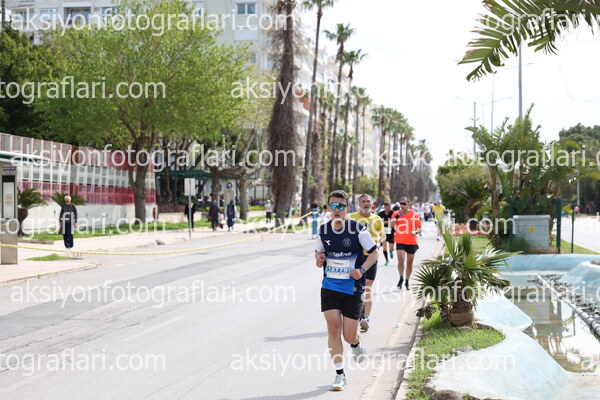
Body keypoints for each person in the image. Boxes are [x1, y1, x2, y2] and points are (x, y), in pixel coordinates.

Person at [315, 190, 379, 391]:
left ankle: (356, 344)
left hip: (352, 289)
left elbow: (374, 253)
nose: (336, 209)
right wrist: (319, 259)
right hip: (330, 287)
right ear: (328, 208)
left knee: (349, 335)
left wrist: (362, 270)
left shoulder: (358, 229)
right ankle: (339, 374)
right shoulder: (323, 231)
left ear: (347, 209)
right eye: (333, 206)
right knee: (333, 329)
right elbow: (318, 254)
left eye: (340, 206)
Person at [349, 194, 385, 332]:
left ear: (372, 203)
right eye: (363, 201)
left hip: (371, 256)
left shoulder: (376, 219)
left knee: (368, 286)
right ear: (359, 204)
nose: (366, 203)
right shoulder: (352, 218)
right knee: (356, 286)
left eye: (368, 201)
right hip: (356, 256)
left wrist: (379, 243)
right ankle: (355, 313)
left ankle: (366, 317)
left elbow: (383, 235)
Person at [390, 197, 422, 290]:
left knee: (409, 263)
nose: (402, 205)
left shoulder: (414, 214)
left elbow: (420, 228)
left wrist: (415, 232)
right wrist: (398, 215)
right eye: (401, 203)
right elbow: (391, 225)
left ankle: (407, 281)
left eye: (404, 203)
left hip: (411, 241)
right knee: (401, 261)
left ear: (408, 204)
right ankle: (401, 278)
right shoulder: (396, 213)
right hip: (400, 241)